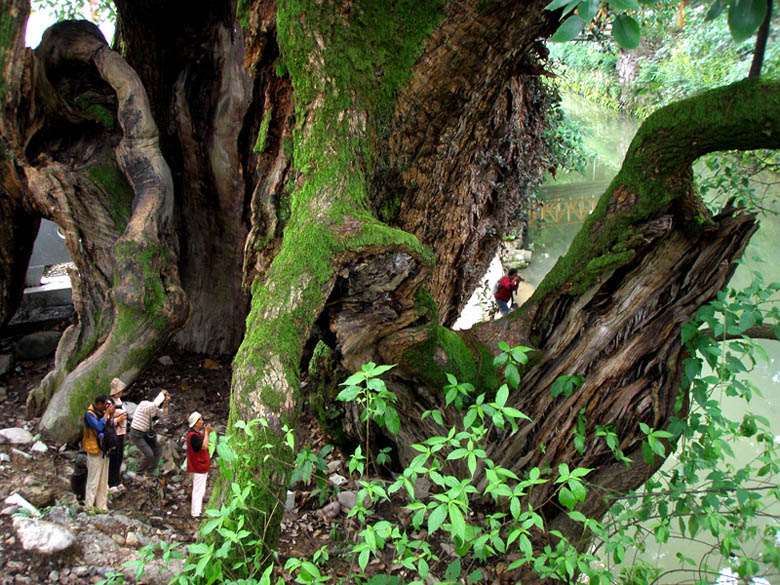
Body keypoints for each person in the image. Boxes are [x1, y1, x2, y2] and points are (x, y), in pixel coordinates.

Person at [83, 394, 115, 511]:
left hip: (105, 450)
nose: (105, 407)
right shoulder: (89, 414)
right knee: (93, 480)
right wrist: (106, 414)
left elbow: (110, 428)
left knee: (103, 481)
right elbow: (98, 427)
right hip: (94, 451)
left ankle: (102, 506)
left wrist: (110, 415)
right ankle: (89, 507)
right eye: (104, 404)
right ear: (99, 404)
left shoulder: (103, 414)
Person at [129, 389, 170, 477]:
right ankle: (139, 474)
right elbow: (154, 404)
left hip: (145, 433)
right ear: (155, 398)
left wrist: (165, 404)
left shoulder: (154, 408)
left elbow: (163, 415)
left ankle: (149, 473)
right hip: (136, 433)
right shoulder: (144, 404)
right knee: (149, 454)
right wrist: (162, 394)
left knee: (158, 449)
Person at [186, 412, 212, 518]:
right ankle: (195, 513)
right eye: (199, 420)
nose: (202, 422)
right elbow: (204, 446)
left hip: (202, 466)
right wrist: (207, 433)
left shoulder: (196, 435)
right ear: (195, 423)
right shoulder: (193, 437)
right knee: (198, 489)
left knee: (201, 489)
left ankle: (198, 511)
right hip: (198, 466)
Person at [108, 378, 128, 492]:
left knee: (119, 457)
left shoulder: (119, 401)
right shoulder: (110, 403)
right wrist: (118, 419)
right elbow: (107, 420)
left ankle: (117, 480)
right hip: (113, 433)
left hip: (121, 433)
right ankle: (111, 483)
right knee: (113, 458)